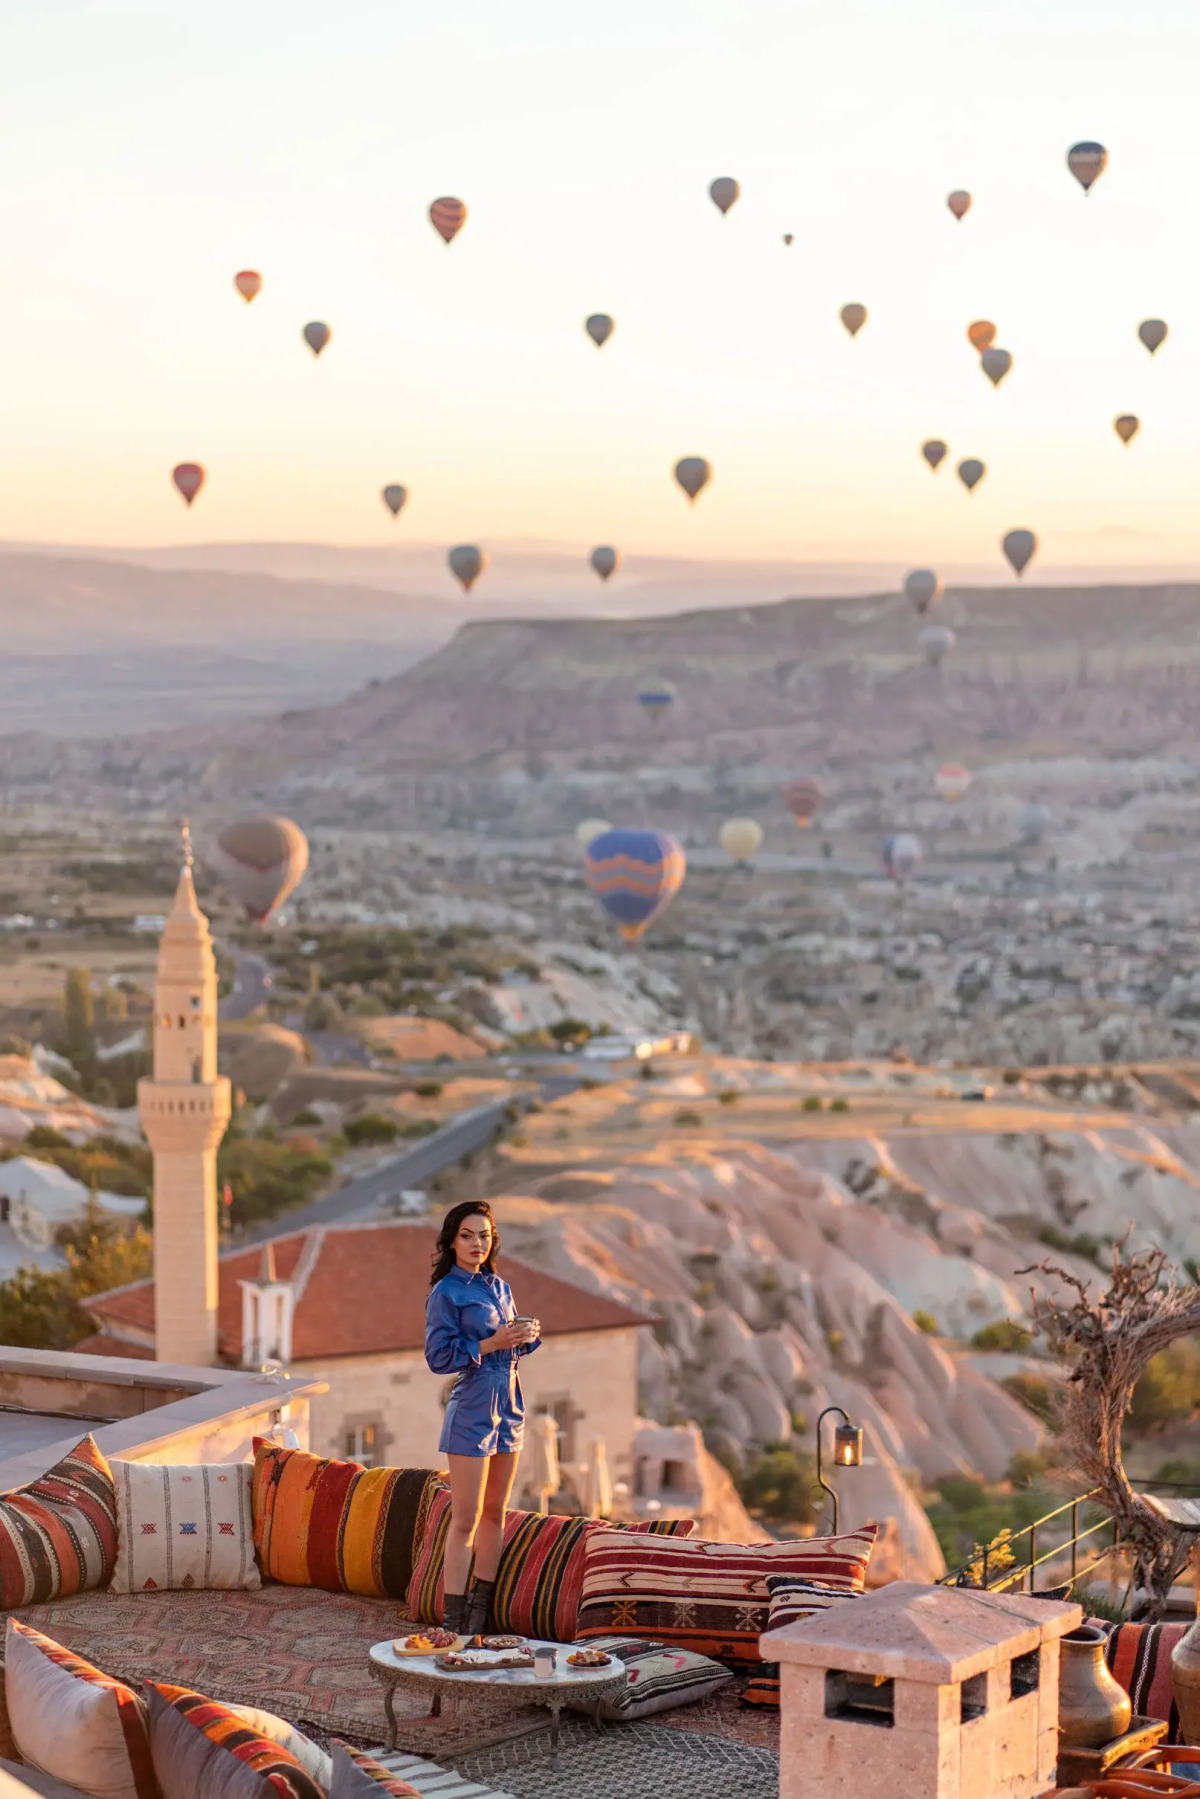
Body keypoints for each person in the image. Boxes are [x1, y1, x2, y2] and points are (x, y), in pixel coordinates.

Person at [425, 1200, 540, 1635]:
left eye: (485, 1236)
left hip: (510, 1402)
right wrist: (492, 1342)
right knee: (466, 1518)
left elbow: (507, 1344)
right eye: (468, 1235)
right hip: (472, 1405)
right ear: (452, 1240)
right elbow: (438, 1358)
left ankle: (481, 1613)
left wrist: (524, 1337)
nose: (477, 1244)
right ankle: (453, 1621)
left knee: (497, 1512)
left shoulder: (499, 1286)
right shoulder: (446, 1293)